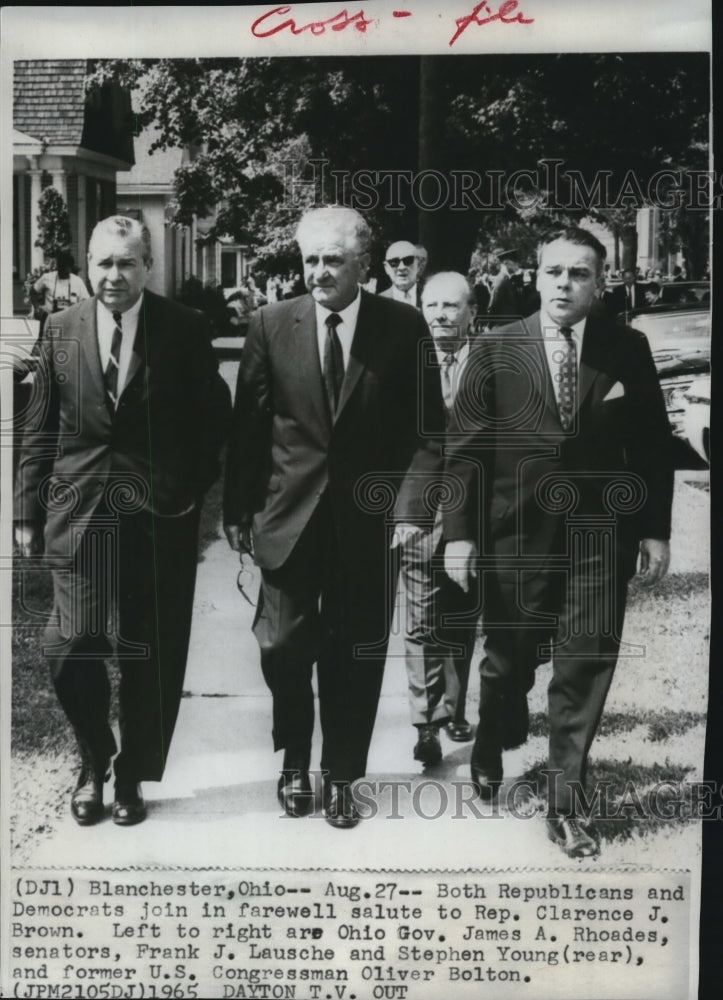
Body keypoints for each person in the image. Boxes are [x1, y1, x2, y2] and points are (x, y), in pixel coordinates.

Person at [444, 227, 673, 858]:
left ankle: (566, 802)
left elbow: (654, 445)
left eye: (579, 274)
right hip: (516, 530)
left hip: (602, 531)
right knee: (509, 661)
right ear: (536, 277)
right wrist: (459, 537)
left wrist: (655, 528)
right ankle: (491, 739)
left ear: (600, 283)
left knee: (584, 662)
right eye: (554, 273)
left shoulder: (627, 348)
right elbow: (463, 454)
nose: (564, 285)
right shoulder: (494, 350)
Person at [223, 206, 444, 829]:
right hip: (287, 518)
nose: (319, 272)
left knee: (354, 653)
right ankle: (295, 757)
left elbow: (429, 433)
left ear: (363, 266)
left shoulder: (402, 327)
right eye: (311, 259)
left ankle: (343, 774)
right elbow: (249, 427)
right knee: (284, 647)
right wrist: (239, 510)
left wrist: (409, 509)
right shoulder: (271, 324)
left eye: (333, 260)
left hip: (368, 527)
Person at [14, 215, 231, 827]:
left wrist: (190, 486)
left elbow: (214, 416)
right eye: (104, 263)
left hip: (158, 516)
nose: (114, 275)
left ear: (148, 267)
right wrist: (26, 509)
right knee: (68, 641)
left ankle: (131, 774)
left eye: (127, 263)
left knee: (150, 652)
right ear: (88, 264)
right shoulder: (59, 328)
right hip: (78, 513)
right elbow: (40, 425)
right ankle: (94, 756)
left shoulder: (184, 329)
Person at [398, 272, 480, 764]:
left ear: (472, 311)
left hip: (471, 510)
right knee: (420, 618)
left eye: (452, 306)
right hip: (420, 512)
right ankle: (426, 722)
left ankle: (457, 706)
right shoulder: (404, 363)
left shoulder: (492, 362)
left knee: (462, 615)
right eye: (431, 306)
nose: (441, 315)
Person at [30, 249, 90, 336]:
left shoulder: (77, 282)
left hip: (70, 323)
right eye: (61, 267)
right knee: (43, 346)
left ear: (70, 267)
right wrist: (37, 308)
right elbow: (33, 291)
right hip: (50, 320)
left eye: (66, 267)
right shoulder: (47, 278)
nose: (63, 270)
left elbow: (86, 302)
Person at [486, 248, 523, 327]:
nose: (517, 267)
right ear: (507, 263)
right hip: (502, 326)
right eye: (515, 264)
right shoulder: (501, 280)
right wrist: (490, 325)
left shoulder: (507, 279)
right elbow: (492, 306)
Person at [379, 240, 422, 307]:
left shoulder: (432, 296)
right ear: (386, 268)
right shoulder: (378, 302)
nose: (401, 267)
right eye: (394, 262)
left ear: (418, 265)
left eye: (408, 260)